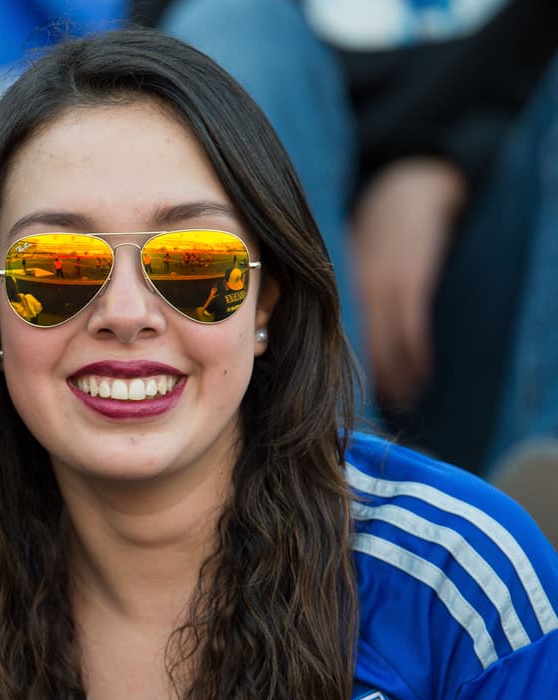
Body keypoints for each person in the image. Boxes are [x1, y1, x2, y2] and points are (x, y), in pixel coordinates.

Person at [0, 27, 558, 700]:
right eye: (58, 268)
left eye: (191, 263)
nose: (126, 312)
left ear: (266, 300)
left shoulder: (457, 574)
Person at [135, 0, 558, 476]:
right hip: (293, 329)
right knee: (230, 29)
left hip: (513, 300)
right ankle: (331, 486)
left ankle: (545, 495)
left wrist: (448, 164)